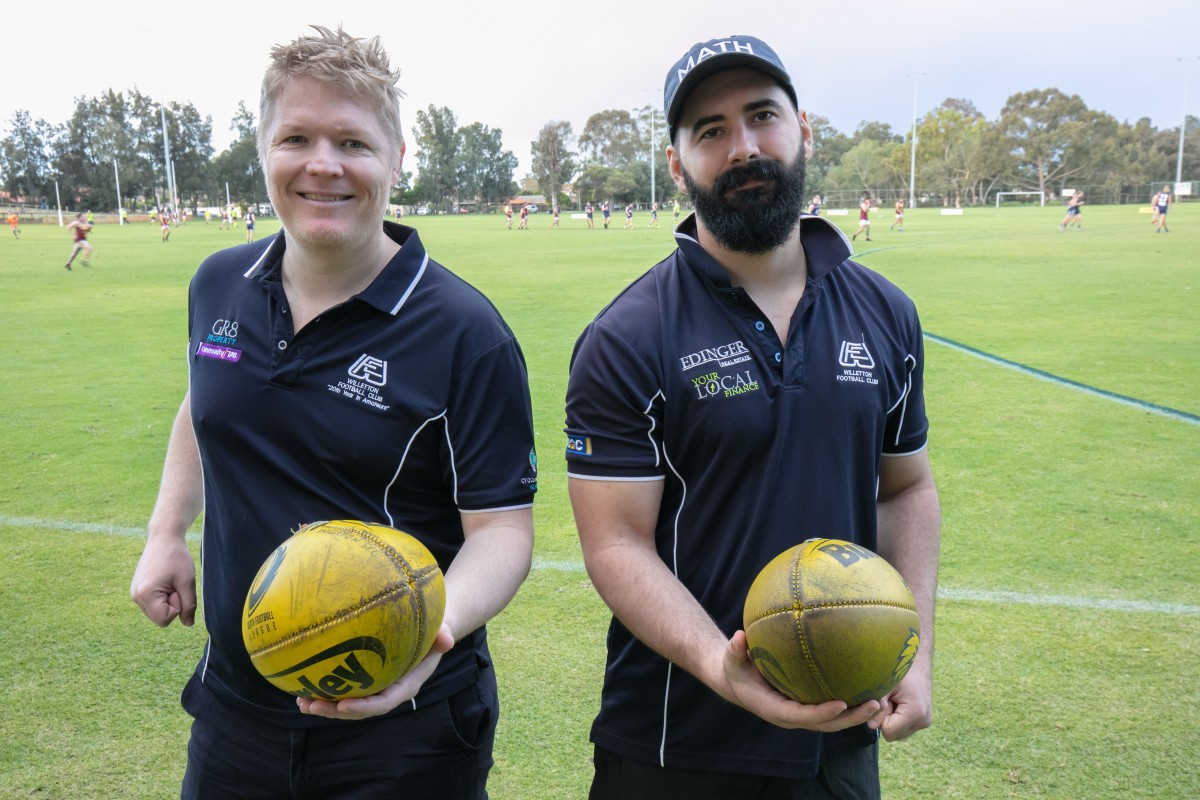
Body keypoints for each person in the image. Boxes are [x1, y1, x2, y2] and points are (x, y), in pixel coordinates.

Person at [129, 26, 537, 799]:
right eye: (298, 138)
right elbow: (204, 403)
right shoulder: (218, 283)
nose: (324, 164)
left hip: (405, 732)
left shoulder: (465, 332)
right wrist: (164, 533)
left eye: (353, 141)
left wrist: (429, 634)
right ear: (264, 149)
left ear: (396, 157)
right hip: (235, 715)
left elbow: (503, 533)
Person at [564, 35, 940, 798]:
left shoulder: (886, 314)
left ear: (803, 128)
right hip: (675, 743)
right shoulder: (626, 337)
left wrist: (916, 652)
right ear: (677, 165)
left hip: (839, 740)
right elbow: (616, 543)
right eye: (710, 131)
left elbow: (905, 490)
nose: (742, 147)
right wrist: (719, 666)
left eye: (761, 116)